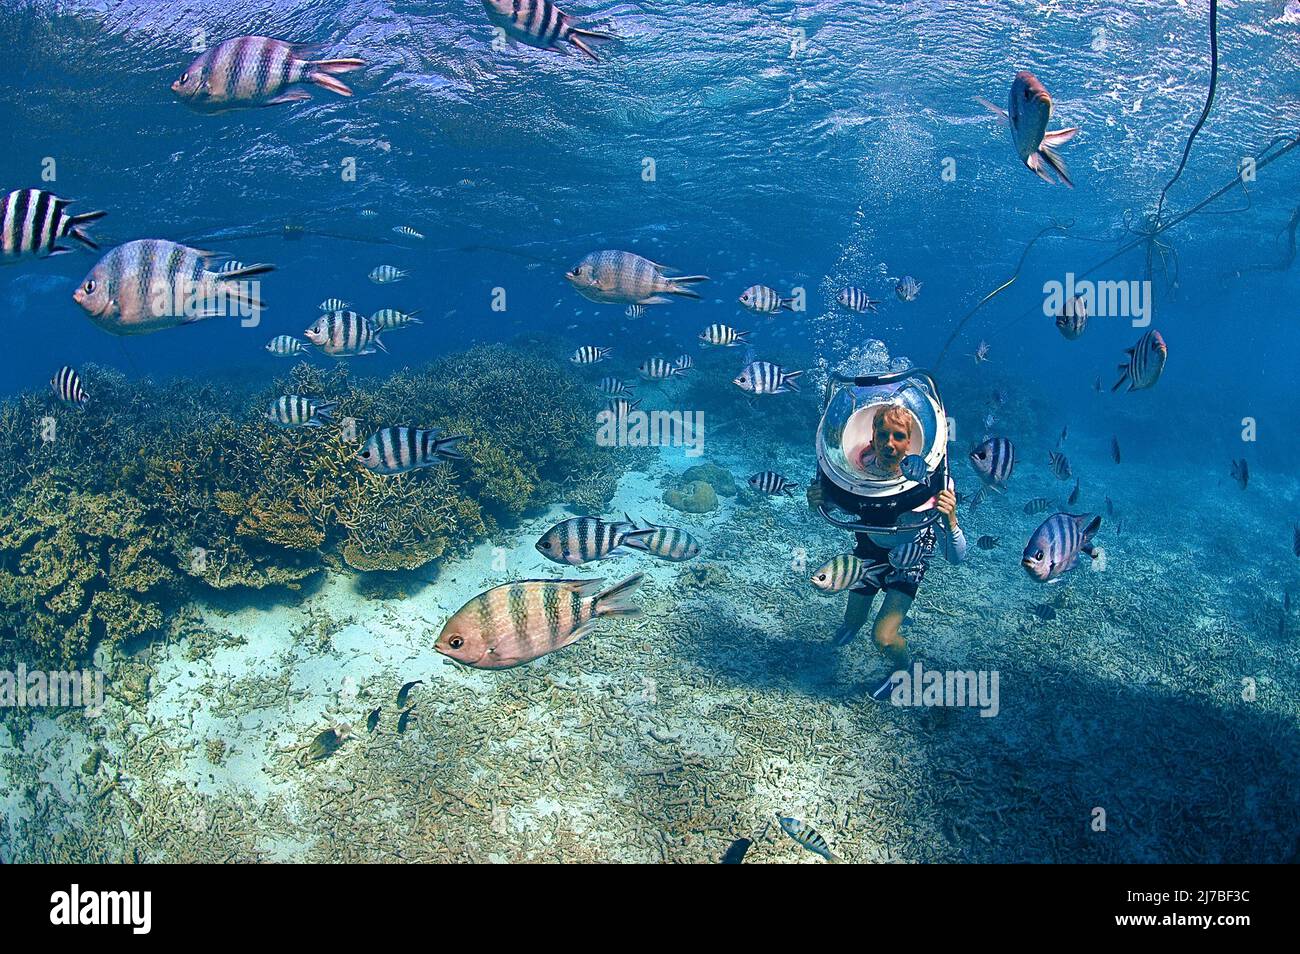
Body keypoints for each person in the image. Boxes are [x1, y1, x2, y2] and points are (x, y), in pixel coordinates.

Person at [808, 403, 966, 700]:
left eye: (898, 436)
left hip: (909, 557)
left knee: (883, 637)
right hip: (869, 550)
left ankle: (904, 670)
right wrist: (817, 502)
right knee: (852, 621)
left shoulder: (932, 481)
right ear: (872, 436)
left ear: (912, 442)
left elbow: (956, 557)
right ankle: (843, 636)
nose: (889, 444)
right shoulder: (853, 470)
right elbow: (833, 509)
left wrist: (951, 519)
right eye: (883, 434)